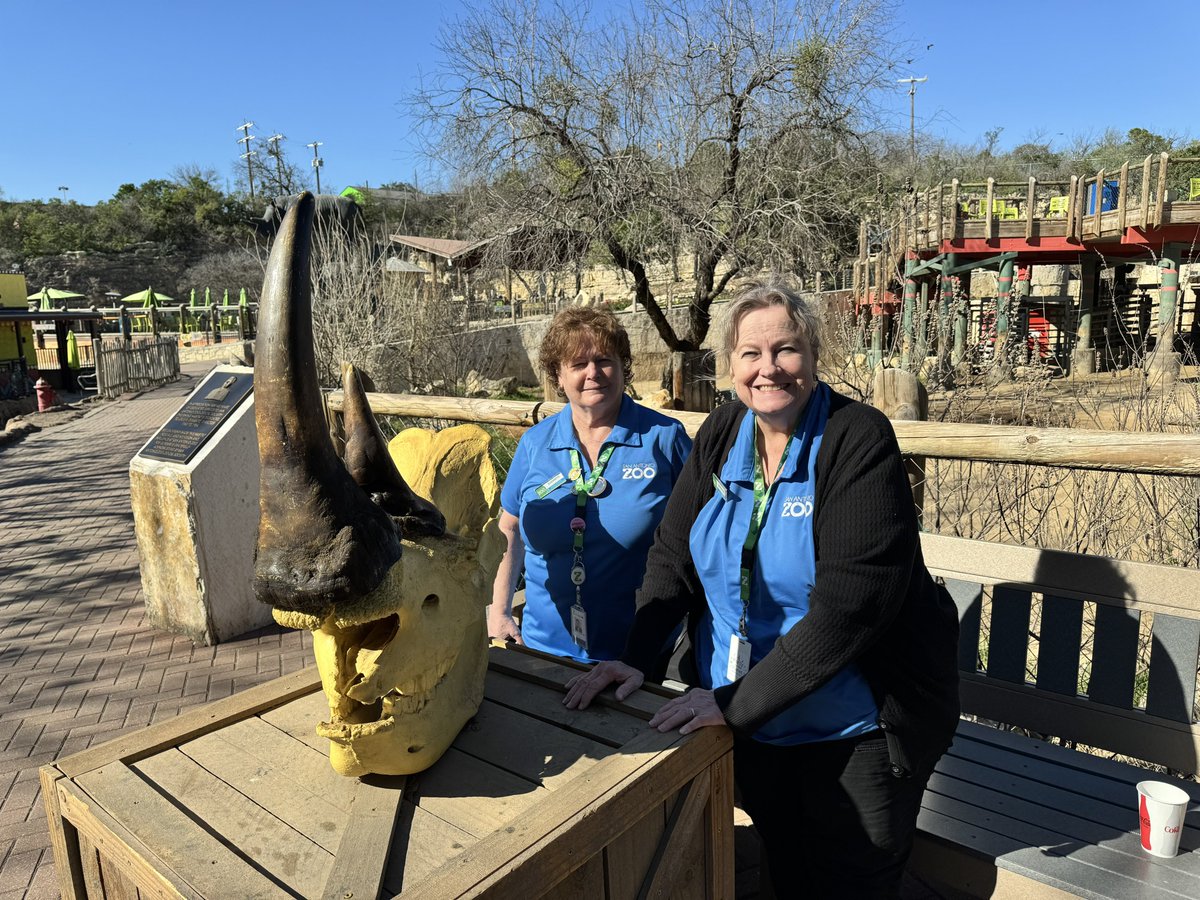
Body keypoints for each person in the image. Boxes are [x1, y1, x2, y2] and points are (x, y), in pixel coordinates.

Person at [564, 279, 960, 897]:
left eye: (787, 349)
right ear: (729, 365)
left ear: (814, 356)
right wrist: (634, 658)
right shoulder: (724, 434)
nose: (768, 368)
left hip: (853, 733)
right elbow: (673, 557)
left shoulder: (857, 439)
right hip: (752, 721)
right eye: (751, 353)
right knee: (782, 871)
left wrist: (729, 705)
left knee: (849, 884)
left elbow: (850, 610)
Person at [489, 307, 692, 665]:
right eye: (578, 364)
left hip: (636, 655)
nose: (593, 373)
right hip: (542, 649)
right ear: (558, 375)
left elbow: (701, 535)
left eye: (604, 360)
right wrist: (500, 609)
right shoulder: (535, 443)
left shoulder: (663, 439)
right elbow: (510, 526)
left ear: (623, 366)